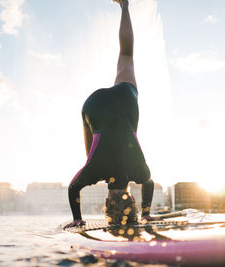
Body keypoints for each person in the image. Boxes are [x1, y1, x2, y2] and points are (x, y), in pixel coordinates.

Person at [64, 0, 154, 229]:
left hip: (124, 100)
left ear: (131, 198)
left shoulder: (140, 172)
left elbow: (149, 183)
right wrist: (77, 218)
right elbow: (72, 189)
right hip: (94, 105)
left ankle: (125, 5)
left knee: (126, 55)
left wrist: (146, 213)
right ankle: (90, 147)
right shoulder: (93, 173)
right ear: (106, 201)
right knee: (92, 136)